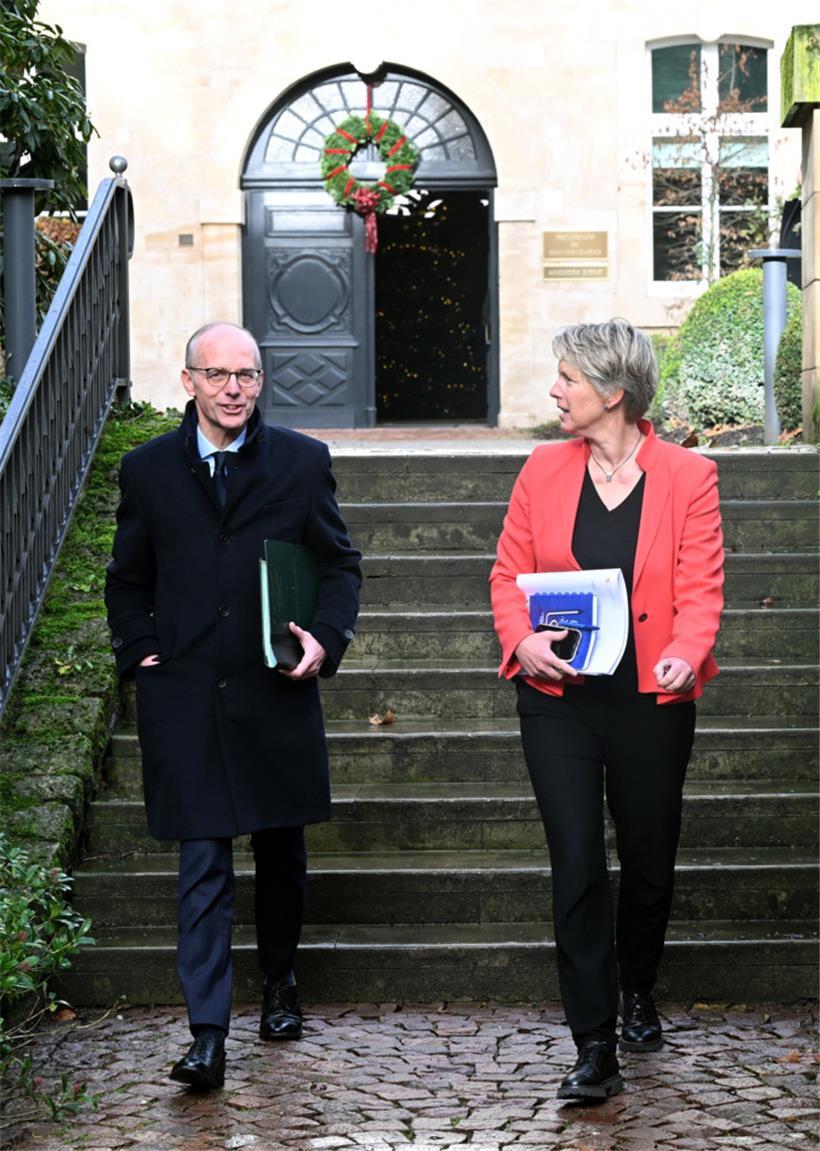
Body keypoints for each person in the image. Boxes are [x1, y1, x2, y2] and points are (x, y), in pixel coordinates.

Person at [105, 321, 361, 1091]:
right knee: (203, 860)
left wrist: (322, 635)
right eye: (217, 374)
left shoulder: (302, 461)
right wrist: (139, 649)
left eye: (246, 375)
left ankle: (279, 984)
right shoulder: (147, 470)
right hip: (183, 690)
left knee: (281, 849)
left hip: (272, 685)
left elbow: (339, 563)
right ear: (188, 381)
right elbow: (127, 578)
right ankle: (207, 1033)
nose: (233, 389)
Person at [490, 319, 724, 1101]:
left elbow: (701, 588)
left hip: (651, 699)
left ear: (613, 393)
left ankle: (637, 988)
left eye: (568, 379)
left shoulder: (690, 477)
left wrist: (688, 652)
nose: (555, 391)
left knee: (649, 860)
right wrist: (520, 641)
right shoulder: (541, 469)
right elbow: (506, 574)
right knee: (578, 864)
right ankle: (593, 1043)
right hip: (559, 699)